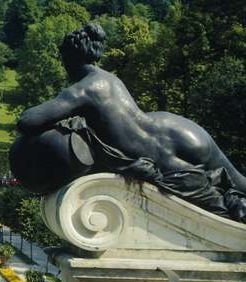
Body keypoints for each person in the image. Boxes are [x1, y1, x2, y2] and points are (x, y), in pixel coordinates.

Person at [16, 24, 246, 198]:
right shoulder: (109, 79)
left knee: (227, 191)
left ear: (68, 59)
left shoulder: (83, 89)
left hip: (157, 156)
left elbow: (28, 121)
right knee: (237, 181)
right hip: (176, 128)